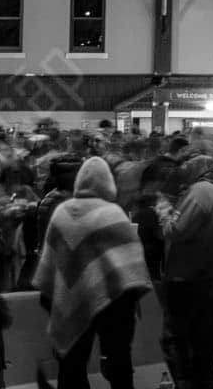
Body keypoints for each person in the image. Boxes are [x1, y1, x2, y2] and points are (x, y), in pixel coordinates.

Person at [34, 155, 152, 389]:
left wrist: (52, 296)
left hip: (72, 297)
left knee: (72, 362)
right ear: (109, 183)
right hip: (115, 302)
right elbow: (131, 263)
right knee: (119, 359)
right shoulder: (113, 213)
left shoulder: (63, 213)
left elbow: (51, 261)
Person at [160, 153, 213, 389]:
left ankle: (192, 382)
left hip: (190, 276)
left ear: (198, 170)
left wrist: (163, 210)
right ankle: (204, 381)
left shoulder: (200, 193)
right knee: (203, 337)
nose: (184, 172)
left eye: (188, 167)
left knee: (186, 337)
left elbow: (176, 230)